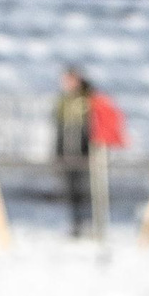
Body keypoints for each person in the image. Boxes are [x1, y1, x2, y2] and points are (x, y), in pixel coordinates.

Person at [55, 67, 93, 235]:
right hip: (67, 152)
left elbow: (91, 127)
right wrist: (58, 152)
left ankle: (88, 223)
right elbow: (59, 128)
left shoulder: (87, 98)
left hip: (84, 152)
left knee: (86, 189)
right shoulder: (63, 102)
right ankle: (76, 224)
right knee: (71, 190)